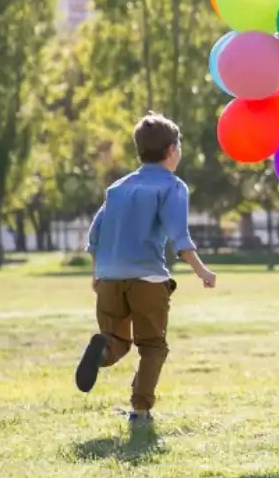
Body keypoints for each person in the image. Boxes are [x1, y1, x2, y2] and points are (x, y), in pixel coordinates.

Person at [76, 112, 217, 427]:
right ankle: (140, 412)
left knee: (117, 341)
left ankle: (101, 351)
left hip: (109, 278)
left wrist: (97, 276)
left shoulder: (117, 188)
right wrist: (202, 271)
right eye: (178, 146)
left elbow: (94, 235)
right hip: (148, 279)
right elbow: (180, 237)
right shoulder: (171, 186)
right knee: (152, 345)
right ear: (171, 150)